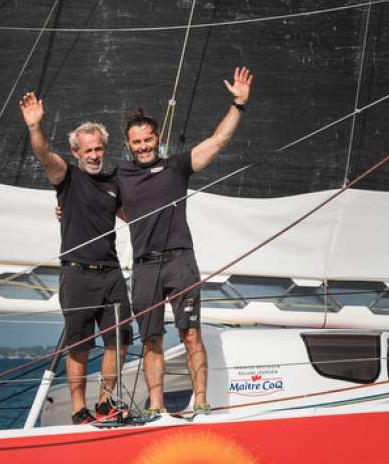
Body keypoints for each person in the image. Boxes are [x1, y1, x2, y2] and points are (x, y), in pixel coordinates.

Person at [118, 67, 253, 415]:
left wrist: (237, 105)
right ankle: (157, 409)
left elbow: (217, 141)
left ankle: (202, 403)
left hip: (180, 261)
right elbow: (97, 201)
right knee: (151, 339)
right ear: (128, 145)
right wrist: (64, 211)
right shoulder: (122, 176)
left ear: (157, 137)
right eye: (137, 142)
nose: (144, 146)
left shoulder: (177, 166)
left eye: (148, 139)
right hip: (145, 266)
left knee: (190, 333)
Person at [19, 91, 132, 425]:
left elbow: (136, 214)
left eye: (99, 149)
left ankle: (105, 403)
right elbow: (43, 153)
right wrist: (35, 127)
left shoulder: (114, 183)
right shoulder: (66, 177)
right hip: (77, 274)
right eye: (88, 150)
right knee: (79, 346)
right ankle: (79, 410)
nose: (94, 155)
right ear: (76, 152)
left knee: (121, 338)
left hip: (111, 273)